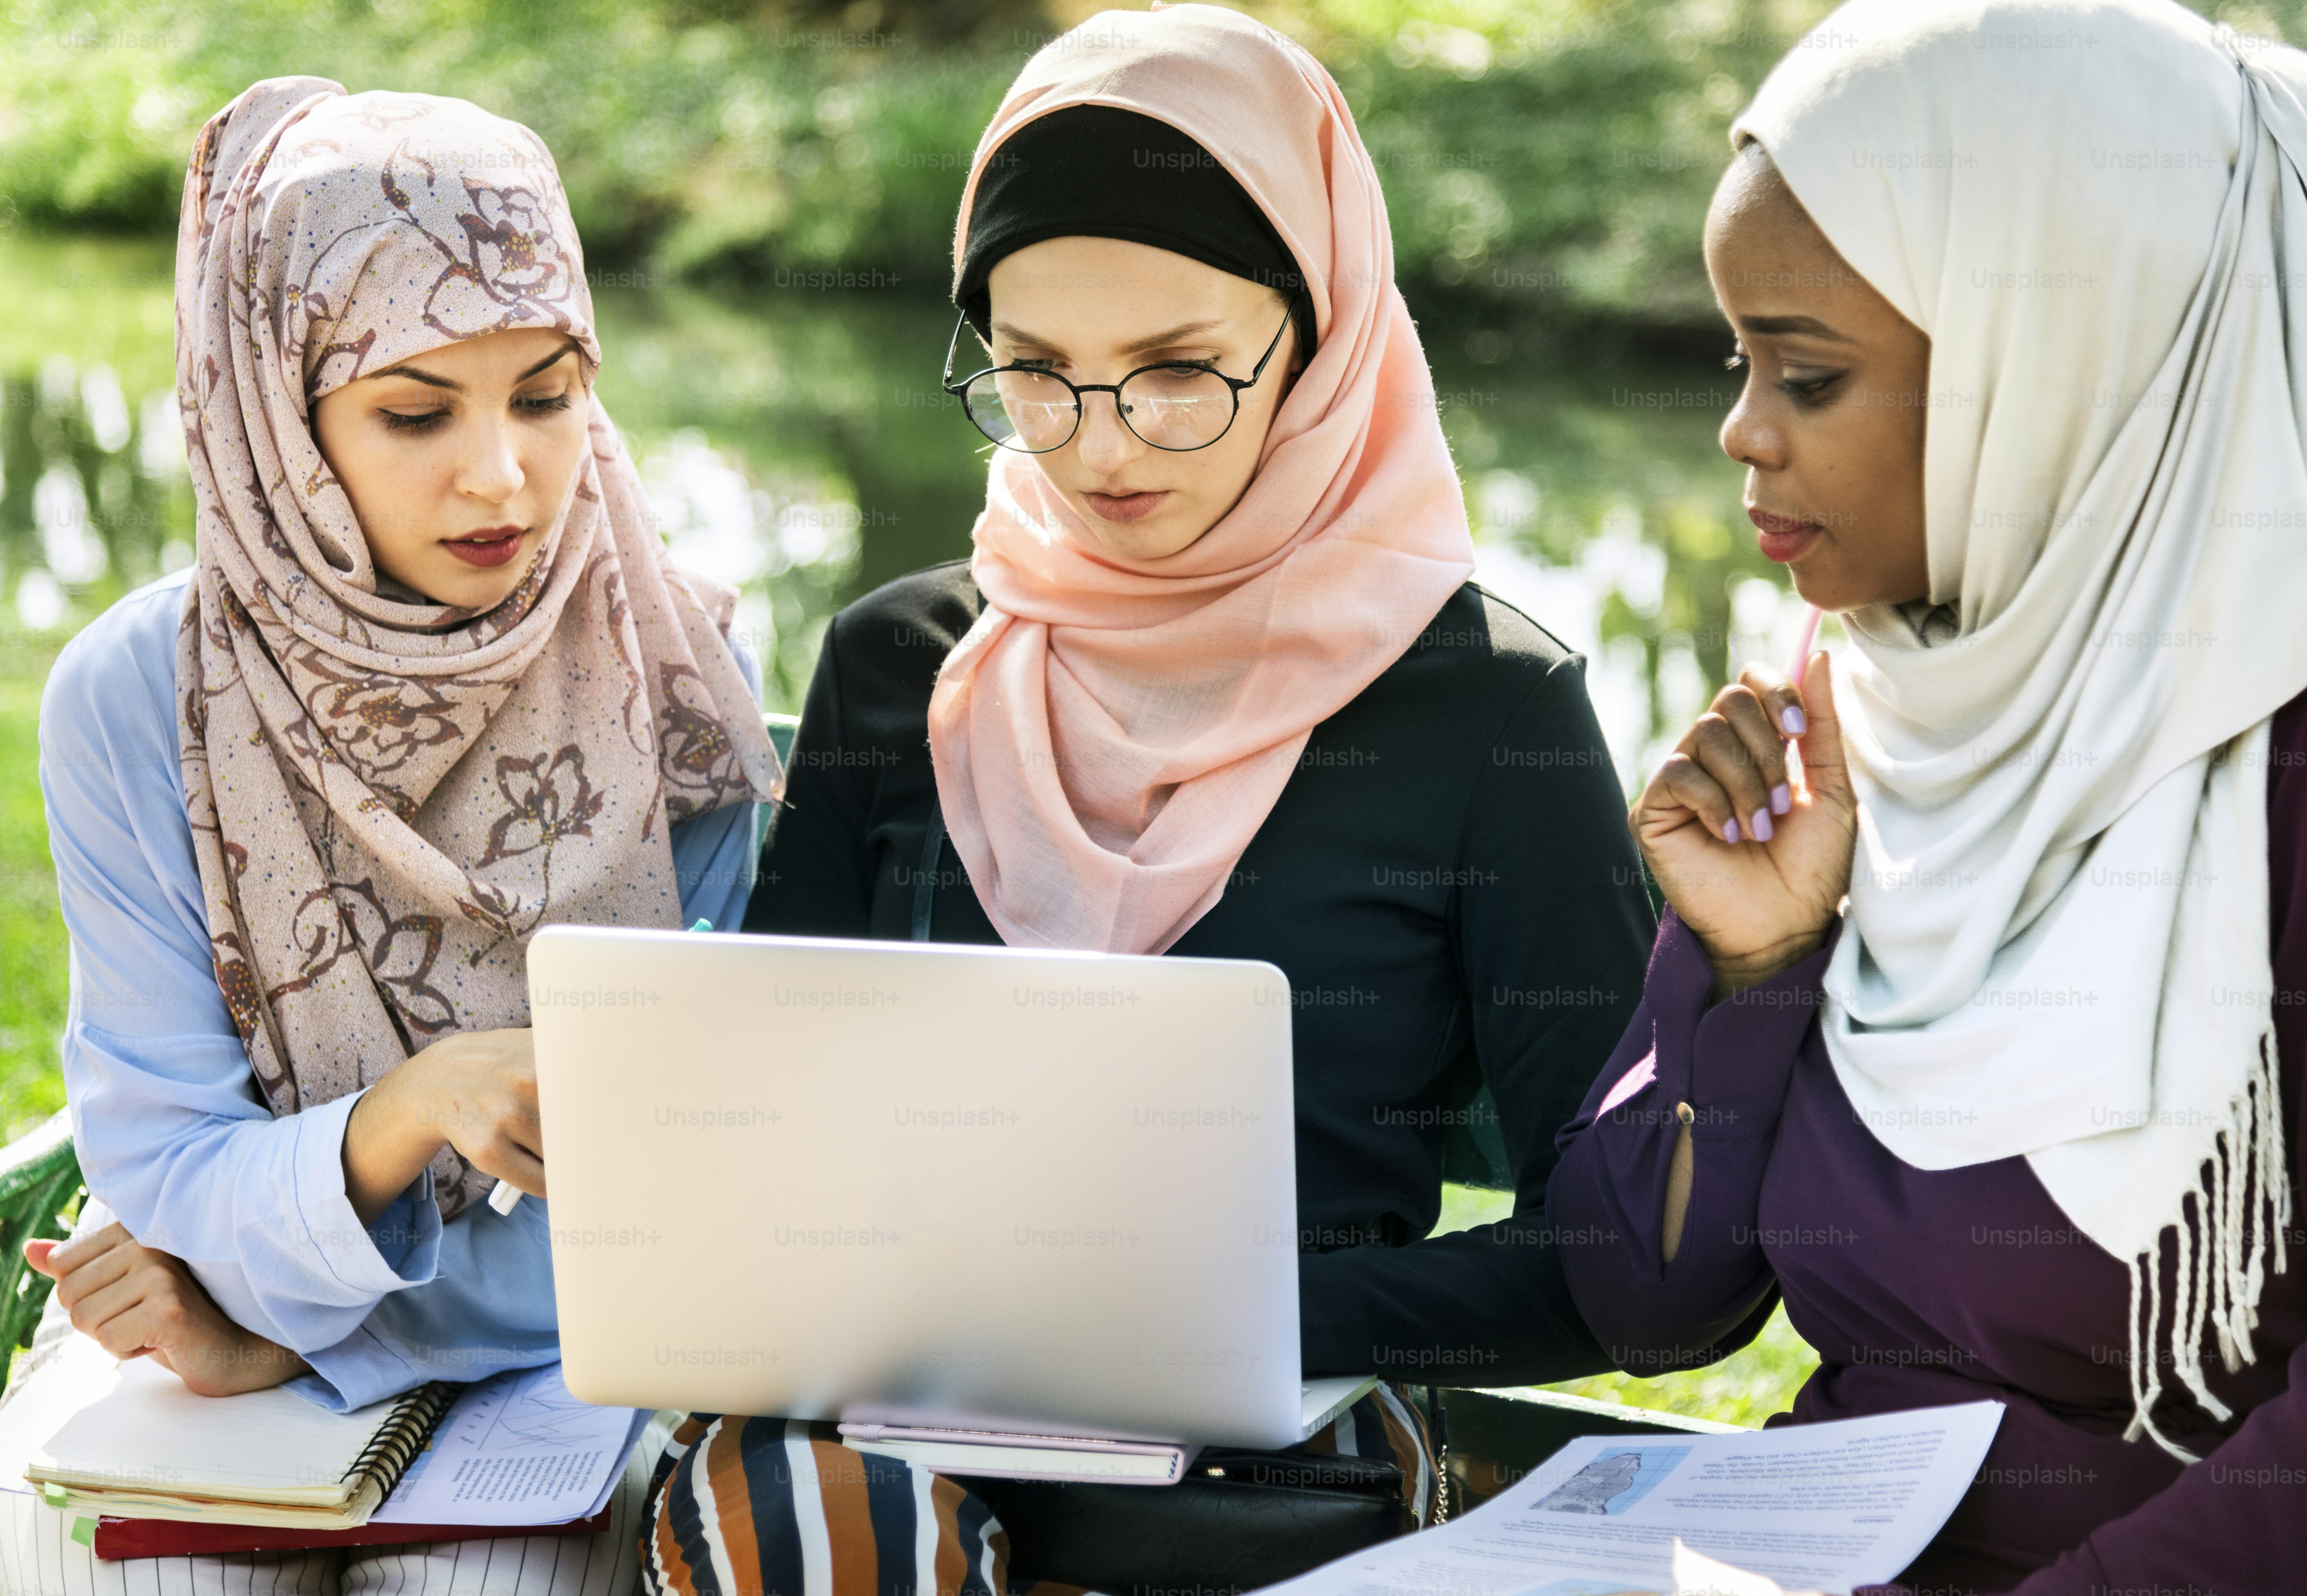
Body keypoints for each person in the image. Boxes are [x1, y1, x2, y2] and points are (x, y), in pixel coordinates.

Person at [639, 6, 1655, 1590]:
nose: (1098, 450)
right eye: (1036, 376)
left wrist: (1219, 1314)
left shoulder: (1484, 712)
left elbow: (1620, 1260)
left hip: (1262, 1470)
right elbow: (771, 1122)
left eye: (1178, 374)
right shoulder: (898, 665)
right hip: (895, 1437)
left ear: (1316, 334)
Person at [1548, 0, 2307, 1589]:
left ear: (2066, 372)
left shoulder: (2276, 785)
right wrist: (1740, 971)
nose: (1737, 429)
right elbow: (1648, 1299)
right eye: (1736, 356)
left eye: (1807, 375)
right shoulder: (1865, 712)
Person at [11, 76, 777, 1596]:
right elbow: (163, 1157)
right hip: (196, 1328)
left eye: (548, 395)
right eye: (415, 411)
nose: (500, 475)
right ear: (270, 415)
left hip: (555, 1352)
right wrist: (411, 1107)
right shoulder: (134, 698)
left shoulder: (671, 675)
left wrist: (266, 1320)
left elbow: (689, 1191)